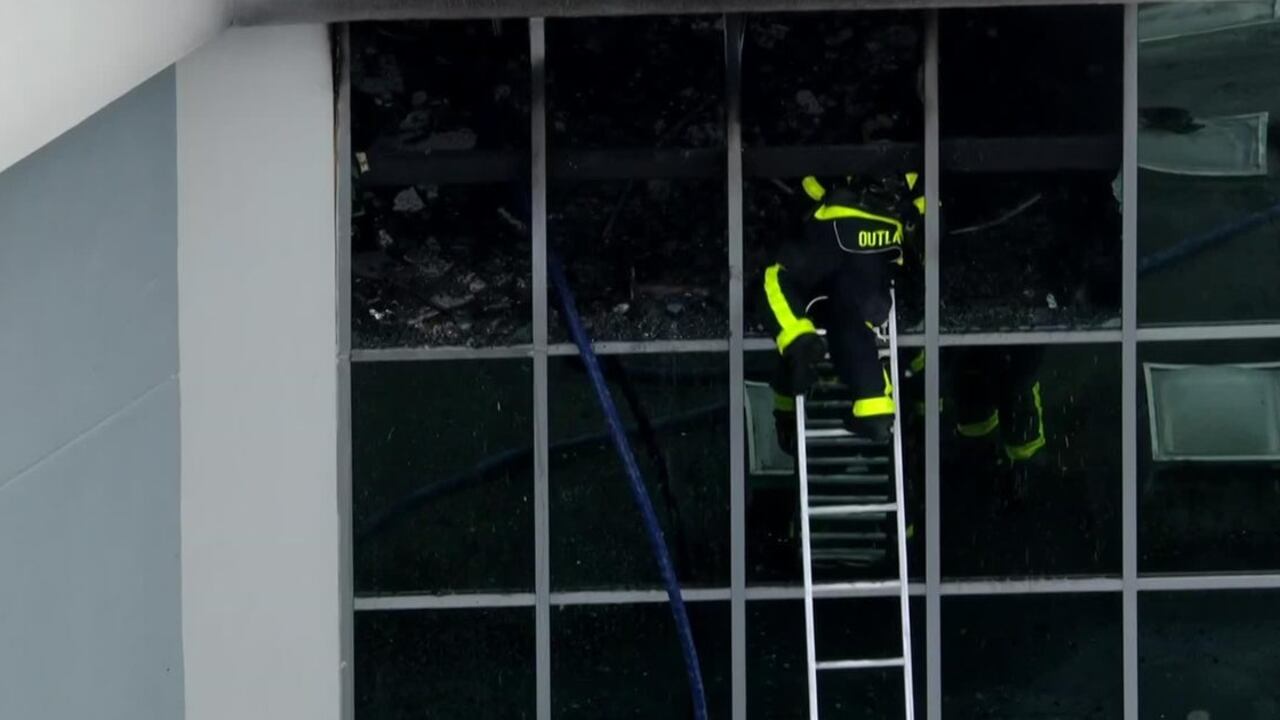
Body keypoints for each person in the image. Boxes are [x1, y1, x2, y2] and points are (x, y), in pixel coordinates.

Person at [764, 172, 924, 447]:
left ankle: (798, 342)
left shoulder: (847, 147)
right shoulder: (914, 164)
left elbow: (809, 190)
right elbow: (928, 221)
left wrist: (792, 223)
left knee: (776, 276)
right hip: (878, 260)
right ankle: (873, 406)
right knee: (849, 320)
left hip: (834, 232)